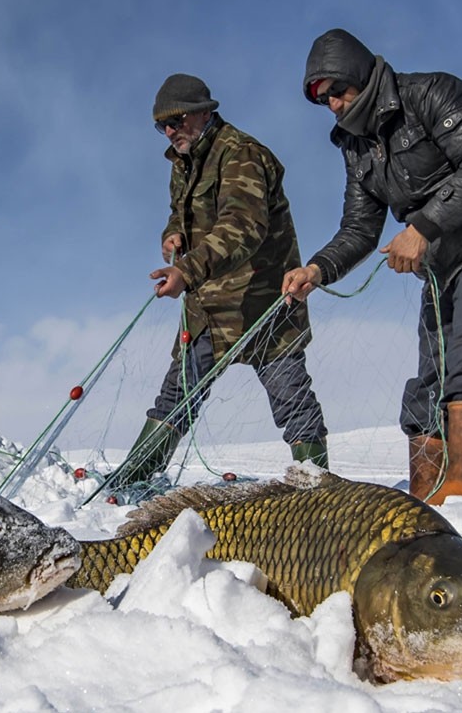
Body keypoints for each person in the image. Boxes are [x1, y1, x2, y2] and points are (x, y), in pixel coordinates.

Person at [282, 29, 462, 504]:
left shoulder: (432, 94)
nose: (333, 104)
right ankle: (428, 500)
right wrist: (316, 270)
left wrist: (421, 228)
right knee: (428, 386)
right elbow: (360, 229)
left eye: (337, 90)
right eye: (322, 99)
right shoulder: (355, 146)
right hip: (440, 269)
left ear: (361, 75)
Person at [105, 73, 329, 493]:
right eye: (161, 126)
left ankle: (319, 488)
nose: (169, 132)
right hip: (209, 309)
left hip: (264, 304)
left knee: (291, 398)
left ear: (204, 112)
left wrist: (187, 271)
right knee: (177, 395)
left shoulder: (242, 154)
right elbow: (180, 212)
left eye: (176, 121)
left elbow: (243, 226)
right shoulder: (183, 162)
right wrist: (173, 233)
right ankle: (131, 481)